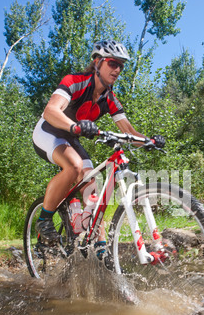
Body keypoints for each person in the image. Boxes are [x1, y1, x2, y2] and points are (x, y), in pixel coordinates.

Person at [33, 39, 165, 256]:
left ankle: (100, 247)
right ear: (97, 62)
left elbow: (129, 132)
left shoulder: (110, 98)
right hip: (48, 131)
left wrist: (149, 140)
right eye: (113, 63)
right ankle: (44, 219)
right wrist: (74, 126)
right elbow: (50, 111)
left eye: (121, 66)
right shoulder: (75, 81)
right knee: (74, 167)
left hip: (71, 139)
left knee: (92, 187)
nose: (118, 69)